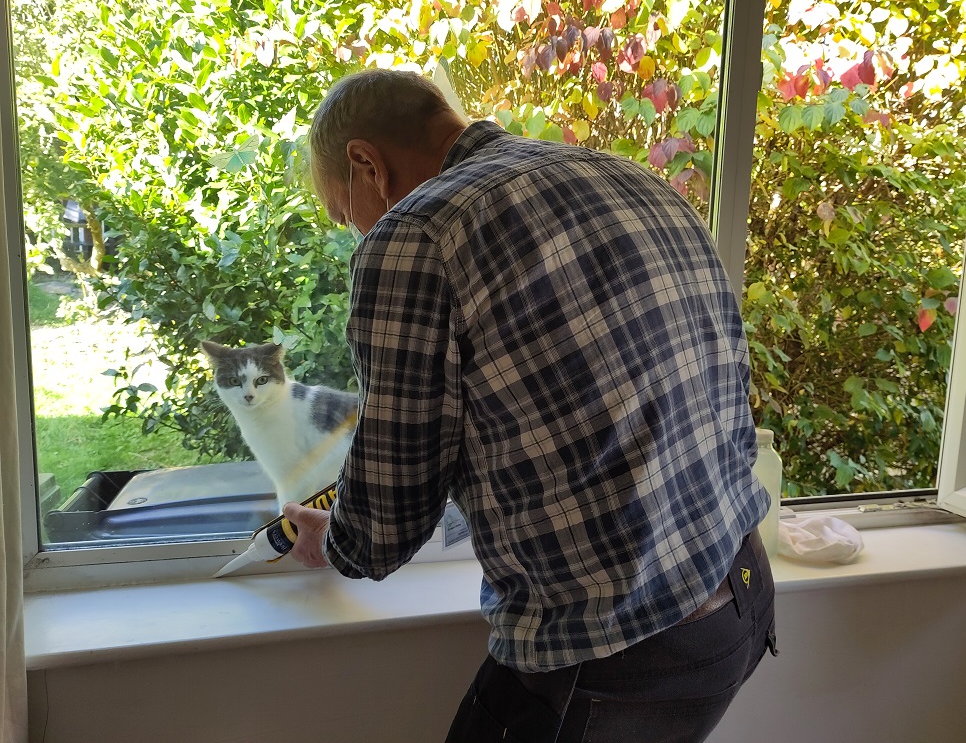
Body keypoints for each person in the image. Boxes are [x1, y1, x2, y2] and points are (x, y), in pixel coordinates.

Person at [285, 67, 777, 743]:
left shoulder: (415, 235)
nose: (358, 235)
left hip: (620, 648)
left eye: (348, 216)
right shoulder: (629, 177)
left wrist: (334, 538)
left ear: (366, 164)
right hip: (740, 595)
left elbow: (384, 527)